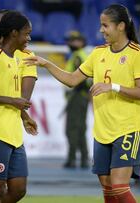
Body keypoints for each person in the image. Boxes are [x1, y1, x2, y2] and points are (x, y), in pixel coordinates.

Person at [25, 4, 140, 203]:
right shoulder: (98, 53)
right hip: (102, 132)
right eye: (101, 25)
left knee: (119, 187)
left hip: (128, 129)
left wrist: (113, 87)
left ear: (120, 26)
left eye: (105, 25)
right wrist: (47, 64)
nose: (101, 30)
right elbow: (72, 80)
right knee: (108, 189)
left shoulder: (138, 54)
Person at [0, 11, 37, 203]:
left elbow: (16, 97)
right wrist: (12, 101)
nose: (28, 38)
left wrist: (24, 116)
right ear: (14, 33)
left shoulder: (16, 58)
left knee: (19, 189)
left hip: (13, 133)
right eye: (26, 33)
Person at [62, 31, 91, 169]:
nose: (70, 43)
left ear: (81, 42)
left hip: (77, 96)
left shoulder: (78, 57)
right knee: (79, 128)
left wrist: (74, 92)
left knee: (72, 129)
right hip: (80, 97)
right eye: (70, 40)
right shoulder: (78, 56)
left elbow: (81, 80)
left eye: (74, 40)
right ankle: (83, 158)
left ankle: (73, 159)